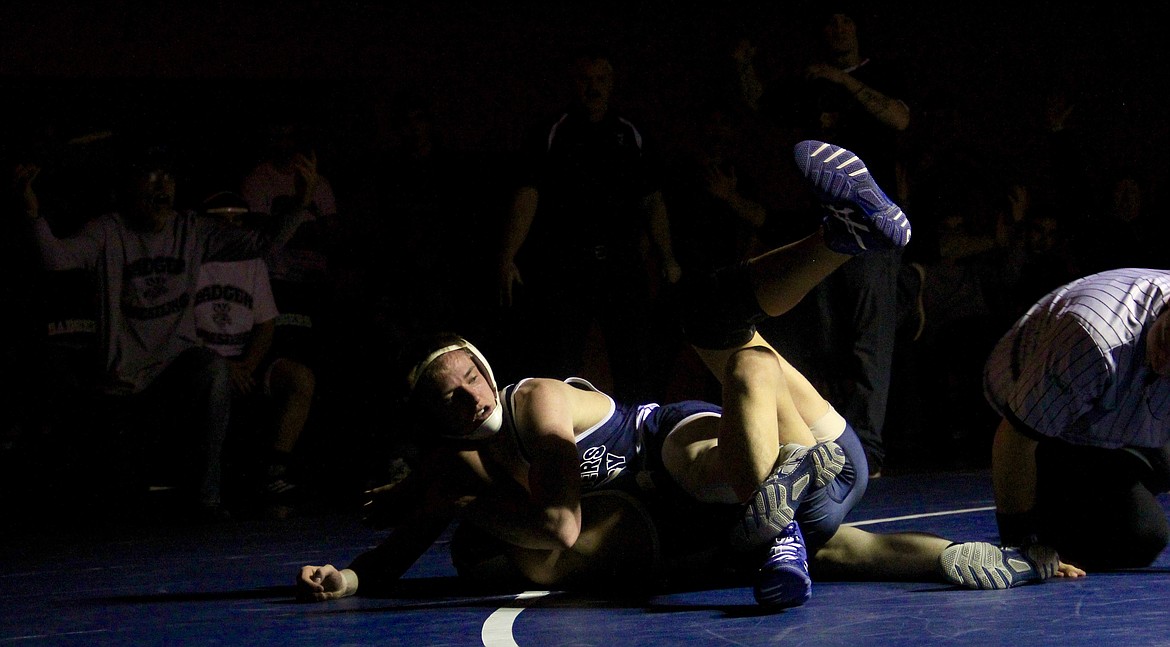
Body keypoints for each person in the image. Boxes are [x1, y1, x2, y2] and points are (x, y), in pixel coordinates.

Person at [298, 140, 1077, 608]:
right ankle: (981, 557)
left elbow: (558, 523)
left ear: (487, 365)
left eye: (469, 375)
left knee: (729, 374)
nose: (469, 395)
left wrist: (455, 493)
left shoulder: (532, 400)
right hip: (764, 502)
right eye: (450, 396)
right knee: (839, 546)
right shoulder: (462, 464)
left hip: (777, 447)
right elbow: (408, 540)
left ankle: (843, 238)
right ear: (433, 419)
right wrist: (356, 578)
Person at [15, 143, 310, 519]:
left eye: (167, 183)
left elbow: (262, 243)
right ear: (129, 191)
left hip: (176, 369)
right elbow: (54, 258)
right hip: (123, 378)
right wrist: (32, 214)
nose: (162, 191)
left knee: (212, 367)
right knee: (120, 500)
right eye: (152, 184)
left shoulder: (191, 229)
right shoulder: (108, 231)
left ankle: (208, 499)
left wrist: (300, 203)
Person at [741, 9, 911, 477]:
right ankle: (829, 444)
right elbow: (762, 106)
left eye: (844, 21)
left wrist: (845, 81)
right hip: (821, 228)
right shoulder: (808, 84)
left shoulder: (880, 74)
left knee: (868, 338)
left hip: (873, 231)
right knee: (822, 336)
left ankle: (869, 453)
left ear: (857, 26)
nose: (836, 29)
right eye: (827, 22)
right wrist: (743, 66)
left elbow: (899, 118)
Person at [496, 48, 681, 403]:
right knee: (558, 364)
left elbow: (652, 199)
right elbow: (528, 193)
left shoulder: (631, 134)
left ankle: (639, 445)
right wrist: (507, 255)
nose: (593, 88)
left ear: (611, 83)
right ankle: (558, 443)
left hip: (622, 265)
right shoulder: (552, 132)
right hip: (565, 266)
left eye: (600, 79)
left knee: (635, 364)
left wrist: (668, 256)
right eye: (585, 79)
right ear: (572, 82)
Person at [984, 267, 1170, 571]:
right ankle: (1060, 497)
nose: (1165, 362)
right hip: (1037, 415)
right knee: (1142, 536)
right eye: (1167, 340)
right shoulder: (1097, 338)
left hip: (1121, 404)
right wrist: (1021, 545)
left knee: (1164, 463)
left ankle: (1111, 469)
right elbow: (1016, 437)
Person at [195, 191, 315, 511]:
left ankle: (275, 471)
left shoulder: (252, 262)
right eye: (224, 220)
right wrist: (223, 364)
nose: (233, 227)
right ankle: (209, 489)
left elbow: (265, 323)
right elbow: (178, 328)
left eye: (239, 219)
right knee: (215, 376)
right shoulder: (191, 259)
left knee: (299, 378)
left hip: (244, 358)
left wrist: (248, 364)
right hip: (200, 359)